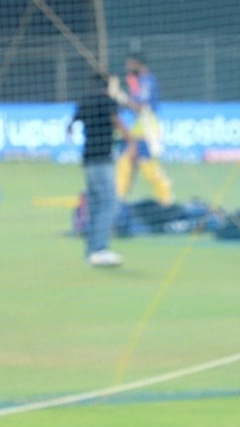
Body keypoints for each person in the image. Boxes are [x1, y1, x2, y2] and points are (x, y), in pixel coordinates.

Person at [68, 76, 130, 267]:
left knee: (95, 204)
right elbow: (117, 120)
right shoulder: (107, 100)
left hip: (88, 159)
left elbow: (71, 125)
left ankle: (91, 250)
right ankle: (100, 249)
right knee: (108, 203)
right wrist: (131, 140)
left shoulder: (84, 101)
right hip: (103, 158)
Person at [111, 53, 174, 206]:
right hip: (136, 129)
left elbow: (140, 107)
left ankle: (166, 201)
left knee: (149, 168)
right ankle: (117, 201)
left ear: (138, 64)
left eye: (130, 64)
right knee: (124, 165)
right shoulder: (136, 81)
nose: (127, 68)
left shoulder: (147, 81)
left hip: (146, 129)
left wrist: (120, 97)